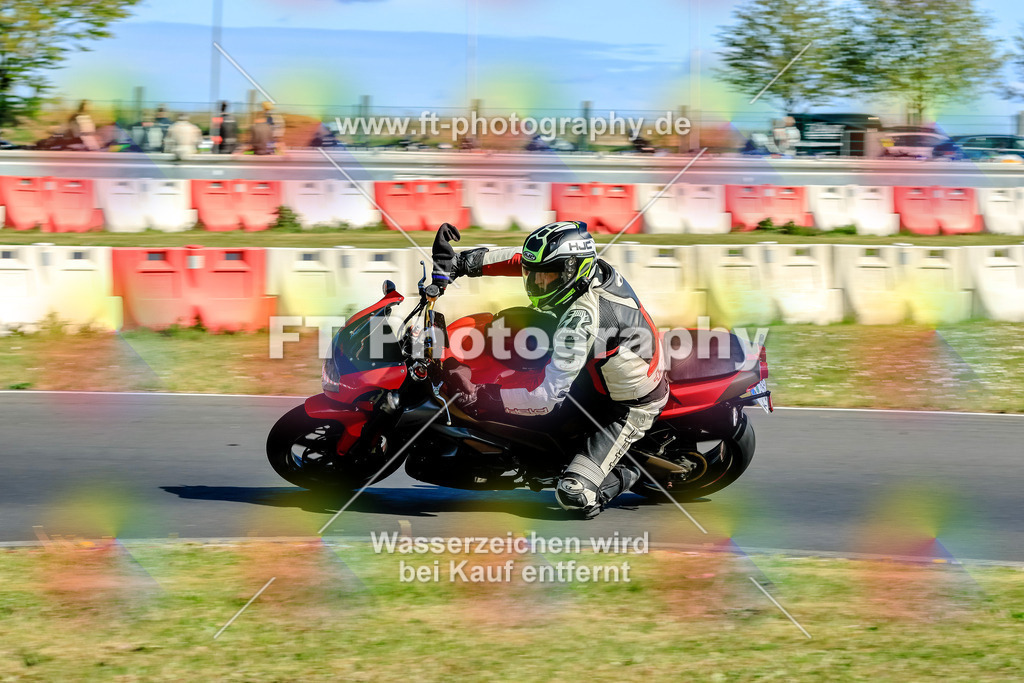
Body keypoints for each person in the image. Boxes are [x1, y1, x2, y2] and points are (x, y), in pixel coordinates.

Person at [432, 221, 668, 519]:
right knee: (508, 329)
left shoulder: (581, 321)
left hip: (625, 405)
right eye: (536, 276)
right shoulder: (585, 269)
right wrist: (461, 263)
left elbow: (546, 398)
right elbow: (521, 260)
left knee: (574, 495)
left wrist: (483, 398)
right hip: (601, 367)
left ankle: (631, 469)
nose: (538, 284)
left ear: (572, 271)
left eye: (548, 277)